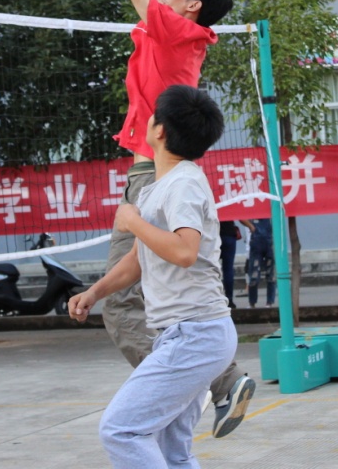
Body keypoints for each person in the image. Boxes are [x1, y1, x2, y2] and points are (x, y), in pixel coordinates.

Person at [101, 0, 252, 438]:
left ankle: (207, 385)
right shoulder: (179, 31)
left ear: (191, 5)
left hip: (151, 173)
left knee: (123, 303)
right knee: (155, 291)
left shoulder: (171, 31)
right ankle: (214, 381)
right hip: (158, 169)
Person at [69, 85, 237, 467]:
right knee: (171, 450)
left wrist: (131, 221)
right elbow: (136, 260)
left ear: (159, 130)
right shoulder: (158, 189)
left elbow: (184, 251)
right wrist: (94, 293)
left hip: (195, 333)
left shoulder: (183, 184)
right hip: (185, 334)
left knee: (120, 429)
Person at [240, 218, 276, 308]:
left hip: (269, 242)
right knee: (254, 275)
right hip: (256, 243)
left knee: (270, 274)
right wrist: (251, 226)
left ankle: (269, 302)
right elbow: (240, 216)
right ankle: (252, 303)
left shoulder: (271, 209)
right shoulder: (252, 210)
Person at [219, 221, 239, 308]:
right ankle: (229, 299)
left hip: (214, 235)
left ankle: (214, 299)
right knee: (228, 269)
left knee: (211, 268)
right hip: (229, 234)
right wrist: (251, 226)